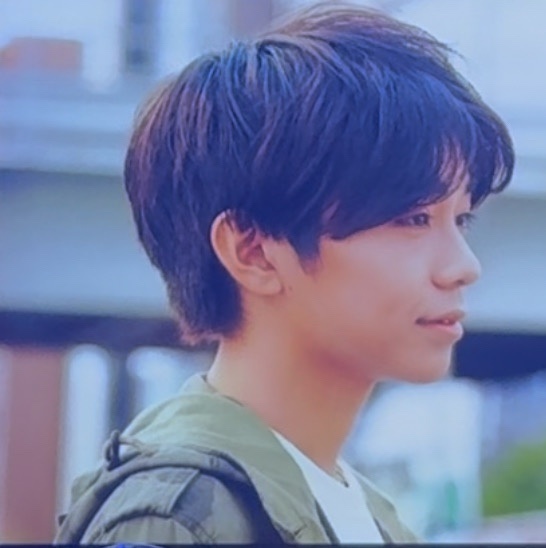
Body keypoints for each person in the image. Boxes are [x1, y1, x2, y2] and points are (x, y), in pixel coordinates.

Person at [54, 1, 514, 544]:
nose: (464, 267)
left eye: (460, 219)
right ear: (253, 251)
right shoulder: (181, 518)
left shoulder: (367, 517)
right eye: (413, 219)